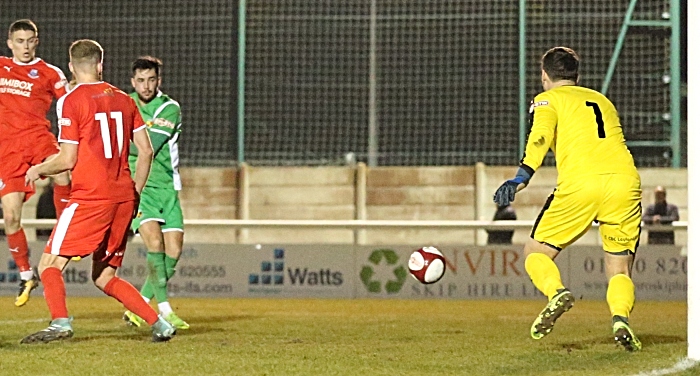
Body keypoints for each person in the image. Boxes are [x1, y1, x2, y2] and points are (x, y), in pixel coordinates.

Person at [20, 39, 175, 344]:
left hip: (91, 197)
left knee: (49, 265)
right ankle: (159, 324)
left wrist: (38, 169)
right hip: (124, 198)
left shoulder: (71, 100)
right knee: (104, 276)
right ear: (100, 64)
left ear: (71, 67)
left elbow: (67, 159)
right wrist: (135, 193)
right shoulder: (123, 99)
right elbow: (145, 151)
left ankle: (60, 323)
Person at [493, 47, 643, 352]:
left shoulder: (547, 99)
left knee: (535, 251)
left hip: (581, 183)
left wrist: (521, 176)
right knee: (620, 268)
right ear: (578, 76)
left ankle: (556, 293)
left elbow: (540, 137)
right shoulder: (602, 100)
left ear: (544, 75)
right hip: (625, 182)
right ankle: (620, 319)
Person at [0, 19, 72, 307]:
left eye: (30, 40)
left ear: (37, 42)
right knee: (12, 216)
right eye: (20, 41)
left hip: (39, 139)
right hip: (8, 152)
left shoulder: (49, 73)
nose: (25, 46)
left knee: (64, 173)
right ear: (9, 43)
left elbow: (69, 103)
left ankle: (67, 235)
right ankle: (27, 273)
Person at [121, 56, 188, 330]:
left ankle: (138, 306)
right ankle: (164, 310)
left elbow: (148, 146)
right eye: (140, 80)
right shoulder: (124, 104)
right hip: (140, 187)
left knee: (174, 250)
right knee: (155, 245)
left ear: (158, 81)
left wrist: (119, 140)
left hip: (168, 187)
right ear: (132, 81)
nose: (145, 86)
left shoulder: (169, 108)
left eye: (151, 80)